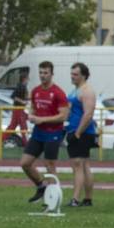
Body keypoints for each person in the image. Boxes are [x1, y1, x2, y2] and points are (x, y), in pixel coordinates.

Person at [20, 60, 68, 203]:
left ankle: (53, 198)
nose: (43, 75)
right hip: (38, 133)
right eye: (41, 72)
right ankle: (41, 187)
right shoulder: (36, 91)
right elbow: (33, 108)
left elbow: (63, 116)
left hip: (53, 133)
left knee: (49, 165)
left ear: (52, 74)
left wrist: (42, 120)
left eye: (46, 73)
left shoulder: (58, 93)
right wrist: (31, 115)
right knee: (25, 163)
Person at [65, 62, 98, 208]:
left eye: (75, 74)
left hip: (82, 133)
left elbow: (88, 114)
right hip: (73, 130)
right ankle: (88, 199)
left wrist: (78, 133)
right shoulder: (74, 91)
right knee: (83, 165)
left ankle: (75, 199)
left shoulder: (87, 91)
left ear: (83, 76)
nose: (72, 76)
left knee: (78, 164)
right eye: (71, 74)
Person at [4, 68, 29, 146]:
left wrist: (28, 99)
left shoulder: (22, 86)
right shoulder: (21, 86)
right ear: (24, 79)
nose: (28, 80)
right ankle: (27, 144)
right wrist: (22, 102)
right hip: (19, 109)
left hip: (19, 109)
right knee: (23, 127)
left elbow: (21, 97)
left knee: (12, 126)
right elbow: (13, 96)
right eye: (27, 79)